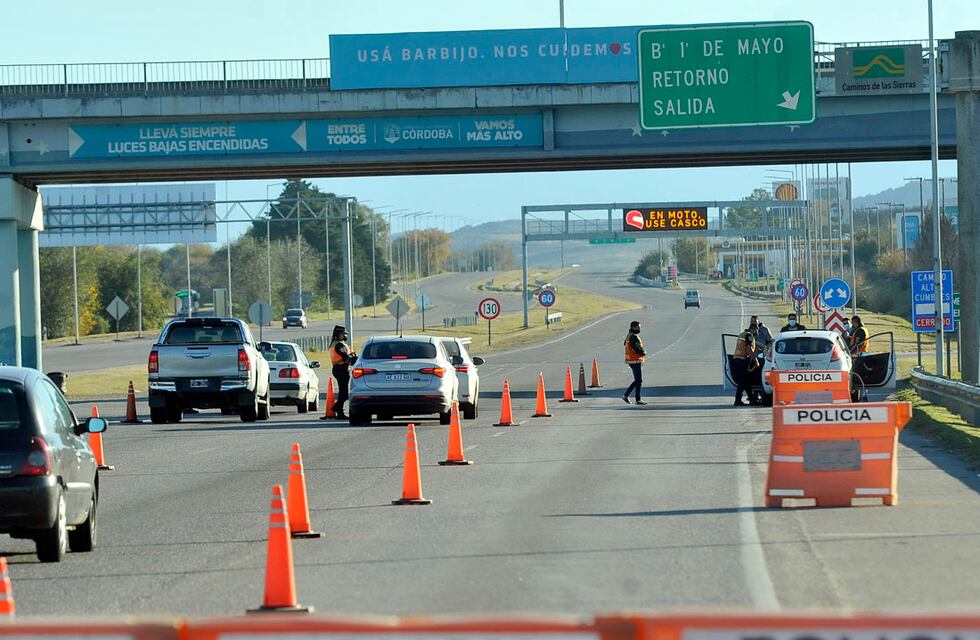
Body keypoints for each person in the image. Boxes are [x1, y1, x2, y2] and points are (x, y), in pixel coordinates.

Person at [329, 325, 357, 419]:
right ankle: (337, 408)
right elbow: (346, 357)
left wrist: (351, 356)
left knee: (343, 392)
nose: (344, 336)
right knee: (344, 393)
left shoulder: (338, 343)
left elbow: (346, 356)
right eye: (343, 334)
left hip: (341, 369)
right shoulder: (339, 345)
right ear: (338, 334)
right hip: (340, 369)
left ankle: (339, 411)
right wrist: (353, 357)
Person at [622, 320, 648, 405]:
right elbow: (637, 348)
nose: (639, 329)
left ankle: (637, 398)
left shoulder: (629, 335)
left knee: (638, 380)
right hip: (635, 360)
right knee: (638, 380)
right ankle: (627, 395)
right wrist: (644, 352)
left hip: (631, 360)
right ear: (633, 327)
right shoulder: (633, 337)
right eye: (638, 327)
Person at [732, 324, 757, 406]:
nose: (756, 332)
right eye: (756, 330)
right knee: (743, 381)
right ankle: (737, 401)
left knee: (746, 381)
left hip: (736, 359)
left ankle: (752, 399)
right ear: (753, 329)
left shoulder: (742, 334)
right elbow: (749, 349)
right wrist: (756, 361)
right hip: (742, 360)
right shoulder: (749, 335)